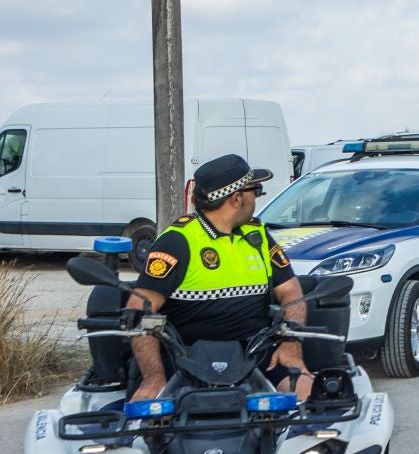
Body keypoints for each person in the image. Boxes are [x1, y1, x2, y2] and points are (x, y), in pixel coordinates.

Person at [127, 154, 308, 401]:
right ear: (236, 199)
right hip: (186, 360)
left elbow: (291, 292)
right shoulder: (178, 241)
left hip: (255, 354)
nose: (257, 196)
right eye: (255, 190)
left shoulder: (258, 236)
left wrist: (291, 342)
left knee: (311, 399)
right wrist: (153, 379)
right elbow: (140, 311)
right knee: (147, 423)